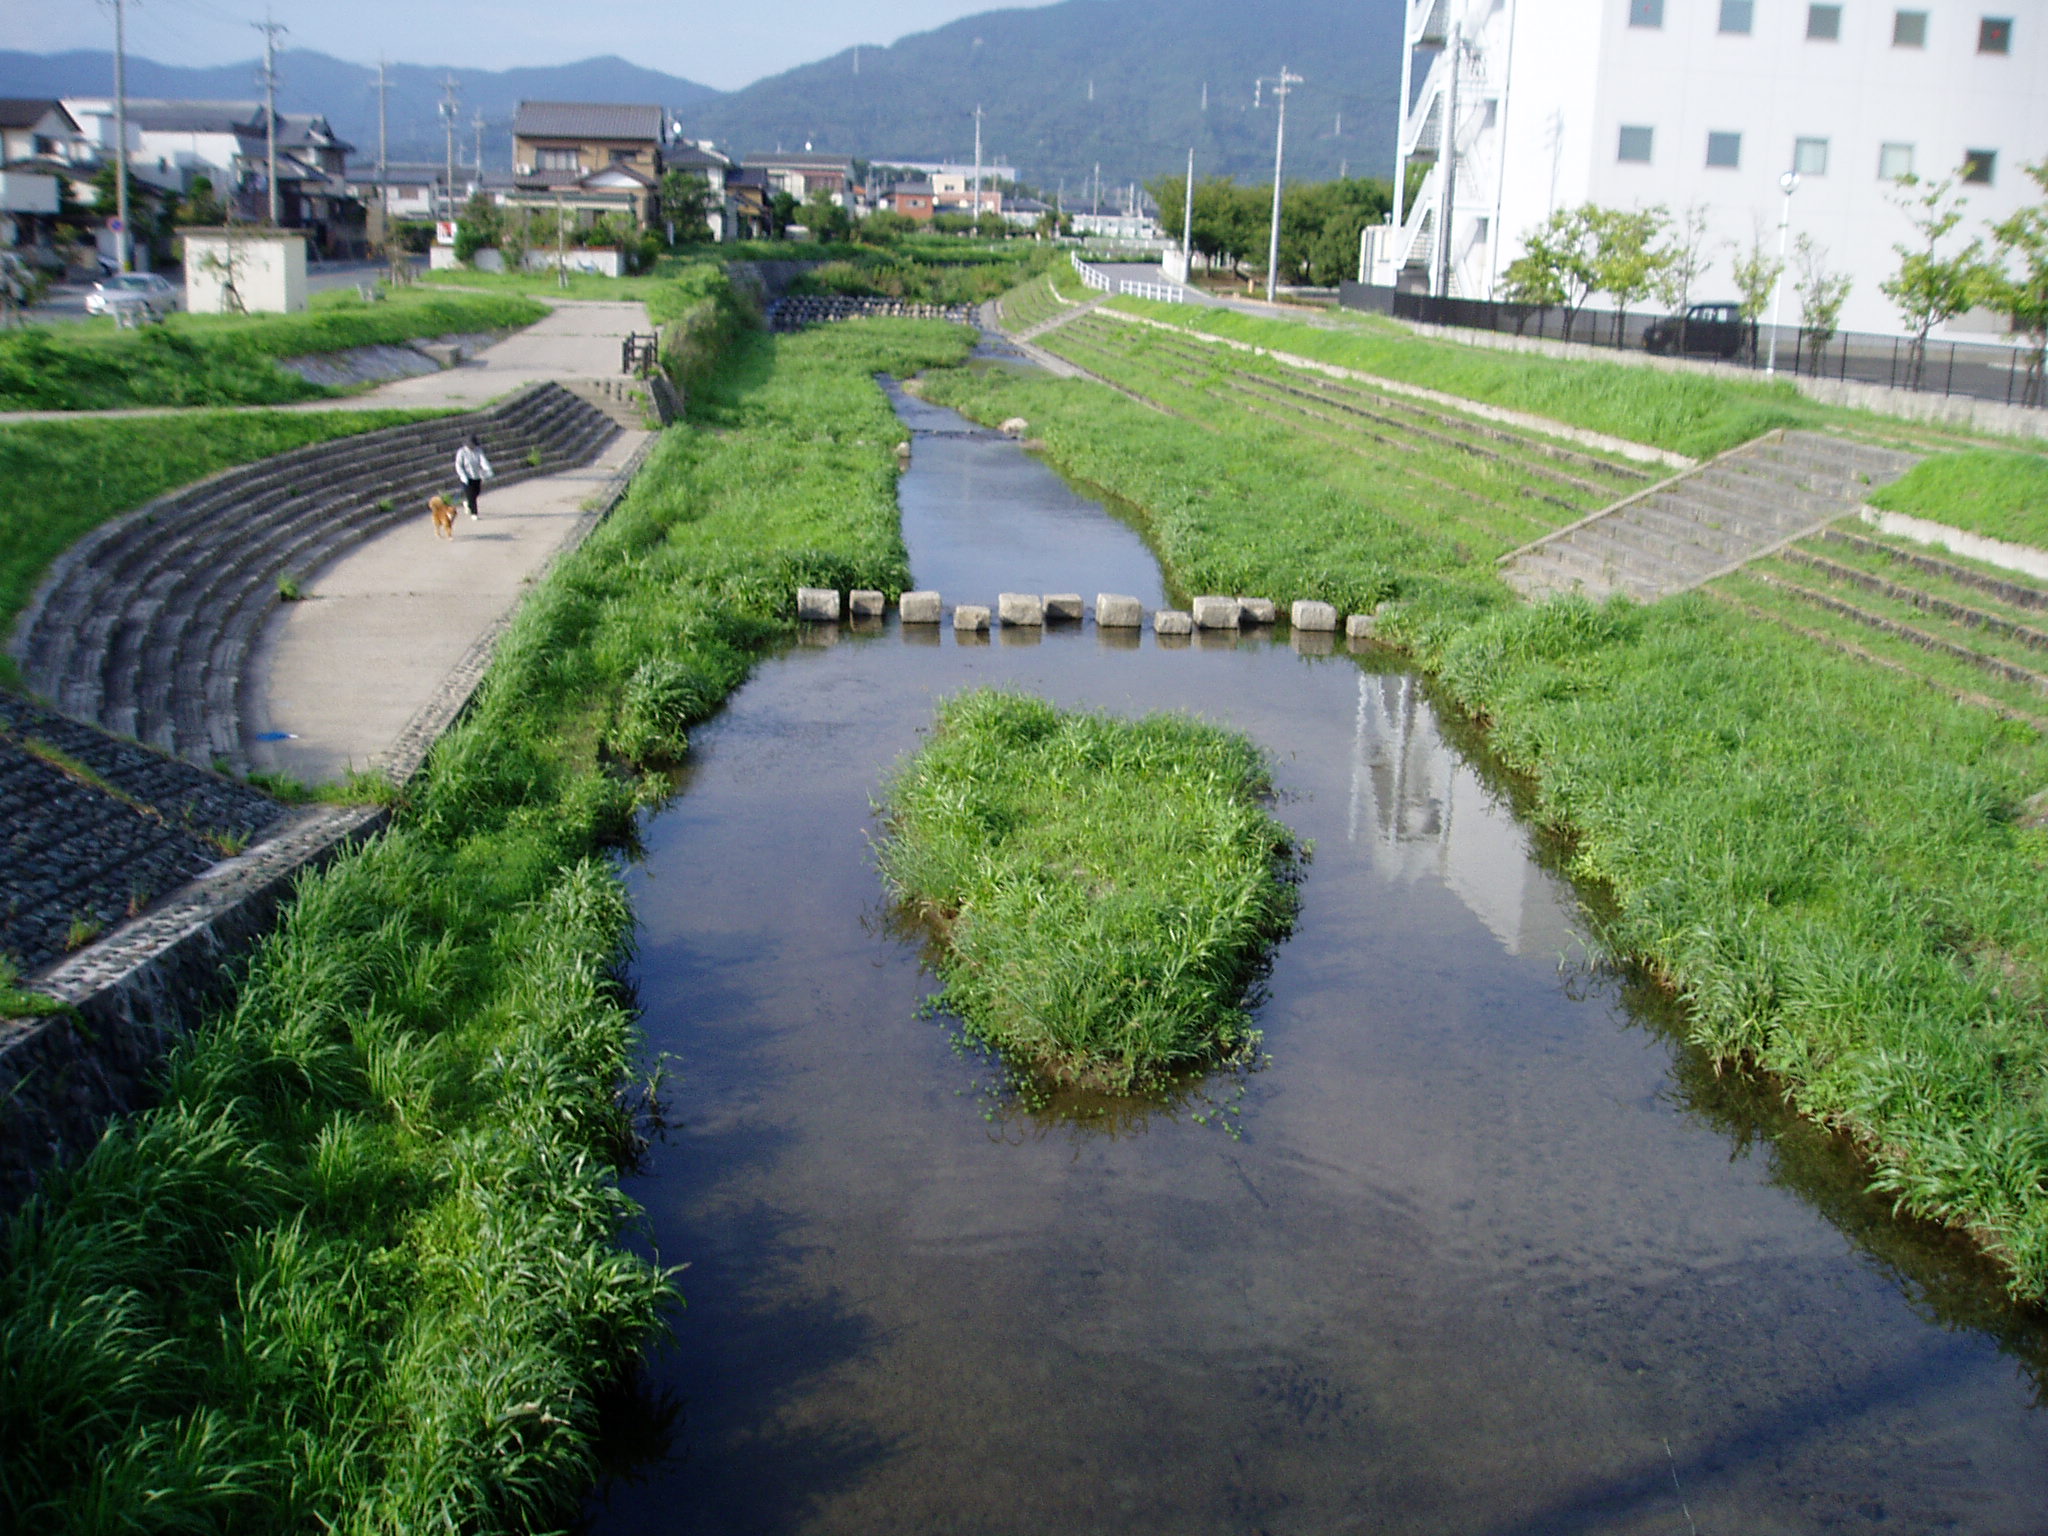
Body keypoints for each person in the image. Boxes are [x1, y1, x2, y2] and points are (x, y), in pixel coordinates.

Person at [454, 433, 495, 519]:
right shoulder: (461, 452)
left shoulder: (478, 450)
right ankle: (474, 513)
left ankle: (467, 504)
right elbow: (458, 465)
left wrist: (488, 470)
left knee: (476, 493)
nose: (472, 446)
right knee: (471, 495)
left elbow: (483, 461)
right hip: (466, 478)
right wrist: (463, 476)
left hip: (476, 476)